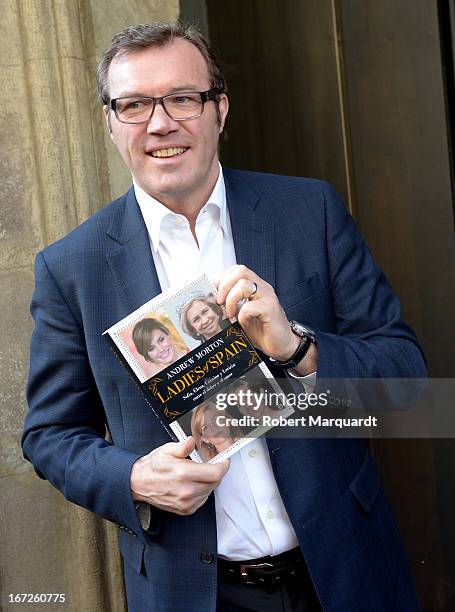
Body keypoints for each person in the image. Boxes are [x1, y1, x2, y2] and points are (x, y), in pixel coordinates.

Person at [22, 21, 426, 612]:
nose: (161, 123)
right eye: (134, 104)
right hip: (194, 592)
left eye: (183, 97)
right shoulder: (71, 268)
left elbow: (408, 378)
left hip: (346, 568)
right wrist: (134, 479)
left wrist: (298, 349)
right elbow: (50, 436)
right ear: (110, 122)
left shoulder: (307, 211)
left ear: (220, 109)